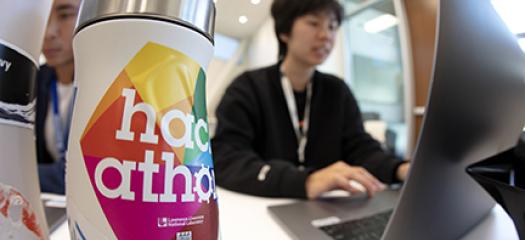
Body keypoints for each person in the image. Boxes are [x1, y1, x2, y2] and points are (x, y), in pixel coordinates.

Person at [212, 0, 410, 199]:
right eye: (314, 23)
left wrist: (399, 169)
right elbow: (226, 157)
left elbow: (360, 149)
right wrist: (305, 181)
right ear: (285, 31)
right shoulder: (248, 87)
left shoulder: (337, 91)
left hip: (329, 206)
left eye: (332, 26)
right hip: (261, 206)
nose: (326, 35)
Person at [35, 0, 81, 194]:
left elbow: (77, 176)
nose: (48, 33)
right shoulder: (35, 78)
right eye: (42, 20)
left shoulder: (106, 84)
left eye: (64, 15)